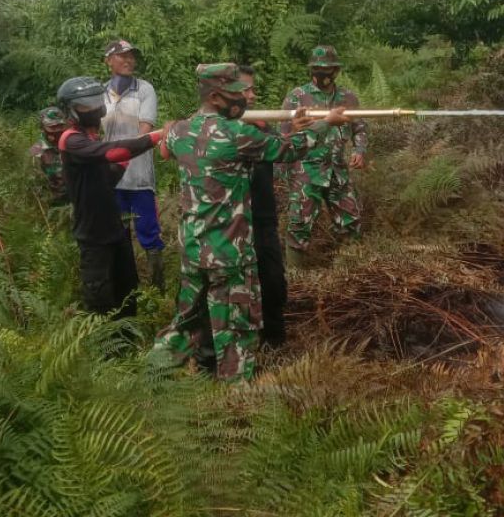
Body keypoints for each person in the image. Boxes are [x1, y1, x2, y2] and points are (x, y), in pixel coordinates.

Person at [151, 63, 347, 382]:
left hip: (193, 250)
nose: (242, 100)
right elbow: (292, 149)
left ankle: (150, 376)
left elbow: (165, 148)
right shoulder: (238, 134)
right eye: (235, 94)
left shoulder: (179, 131)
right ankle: (235, 405)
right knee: (235, 331)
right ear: (215, 96)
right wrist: (326, 123)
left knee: (185, 323)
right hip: (228, 255)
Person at [56, 76, 165, 317]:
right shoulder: (71, 140)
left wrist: (124, 158)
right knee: (101, 301)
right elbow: (114, 152)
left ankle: (128, 348)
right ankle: (106, 353)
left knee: (127, 293)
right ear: (71, 110)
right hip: (93, 237)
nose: (94, 110)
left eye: (97, 103)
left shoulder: (92, 140)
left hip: (115, 230)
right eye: (87, 106)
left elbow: (111, 170)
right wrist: (156, 137)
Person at [281, 45, 368, 267]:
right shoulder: (297, 97)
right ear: (311, 71)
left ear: (336, 71)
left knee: (350, 220)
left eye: (327, 69)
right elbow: (284, 135)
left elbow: (360, 127)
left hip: (337, 170)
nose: (322, 75)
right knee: (300, 224)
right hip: (306, 172)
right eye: (317, 70)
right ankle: (296, 278)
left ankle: (348, 273)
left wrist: (359, 150)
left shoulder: (347, 97)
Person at [101, 39, 166, 289]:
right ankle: (126, 286)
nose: (128, 60)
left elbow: (145, 130)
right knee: (117, 233)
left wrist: (122, 153)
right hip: (111, 178)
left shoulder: (144, 89)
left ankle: (158, 290)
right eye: (122, 56)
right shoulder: (100, 93)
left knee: (149, 234)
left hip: (139, 177)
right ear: (109, 61)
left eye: (131, 56)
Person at [236, 65, 287, 348]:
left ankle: (275, 341)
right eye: (247, 89)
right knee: (236, 287)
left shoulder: (262, 126)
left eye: (254, 89)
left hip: (264, 217)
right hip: (233, 222)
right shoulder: (223, 129)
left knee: (272, 279)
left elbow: (282, 146)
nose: (253, 95)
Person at [29, 106, 68, 206]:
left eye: (60, 126)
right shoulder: (36, 151)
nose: (57, 130)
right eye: (52, 127)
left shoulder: (71, 143)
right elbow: (34, 185)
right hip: (54, 207)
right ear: (42, 128)